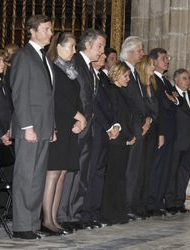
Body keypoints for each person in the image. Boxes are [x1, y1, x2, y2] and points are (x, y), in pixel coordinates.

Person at [10, 15, 56, 240]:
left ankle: (32, 223)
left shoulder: (44, 58)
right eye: (46, 29)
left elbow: (49, 97)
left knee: (37, 177)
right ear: (33, 31)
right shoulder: (23, 56)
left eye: (50, 30)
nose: (50, 33)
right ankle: (21, 225)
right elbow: (20, 94)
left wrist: (52, 126)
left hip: (44, 127)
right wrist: (27, 126)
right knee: (25, 176)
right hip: (29, 126)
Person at [57, 29, 106, 229]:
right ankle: (62, 215)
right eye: (100, 46)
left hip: (89, 130)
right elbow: (70, 96)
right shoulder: (75, 64)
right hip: (76, 128)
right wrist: (74, 120)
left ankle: (74, 215)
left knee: (81, 175)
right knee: (69, 174)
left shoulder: (90, 68)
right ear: (88, 45)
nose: (102, 50)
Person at [41, 32, 86, 235]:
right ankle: (46, 220)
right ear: (58, 46)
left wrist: (79, 119)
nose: (74, 51)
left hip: (70, 127)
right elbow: (57, 99)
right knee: (53, 173)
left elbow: (77, 99)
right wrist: (78, 116)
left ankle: (55, 218)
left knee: (62, 175)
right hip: (57, 126)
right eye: (71, 46)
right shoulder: (52, 69)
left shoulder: (70, 70)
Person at [80, 53, 120, 228]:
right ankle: (84, 214)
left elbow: (112, 104)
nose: (103, 56)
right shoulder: (88, 76)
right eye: (101, 53)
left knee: (99, 173)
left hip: (105, 132)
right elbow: (94, 104)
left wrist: (116, 124)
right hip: (95, 130)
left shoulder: (103, 77)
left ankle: (94, 213)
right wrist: (108, 126)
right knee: (90, 173)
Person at [146, 48, 182, 217]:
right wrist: (172, 101)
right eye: (163, 58)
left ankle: (158, 201)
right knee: (157, 167)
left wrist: (173, 99)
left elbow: (178, 102)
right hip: (160, 130)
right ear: (153, 61)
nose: (167, 60)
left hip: (170, 131)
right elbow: (162, 106)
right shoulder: (153, 80)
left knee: (165, 168)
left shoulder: (166, 82)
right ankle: (151, 202)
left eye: (167, 57)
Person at [120, 36, 151, 219]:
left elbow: (141, 102)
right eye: (140, 50)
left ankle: (131, 204)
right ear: (130, 52)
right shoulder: (123, 71)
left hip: (140, 127)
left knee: (135, 170)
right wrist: (136, 126)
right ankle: (125, 206)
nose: (142, 53)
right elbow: (126, 103)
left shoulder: (135, 72)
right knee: (128, 170)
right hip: (130, 128)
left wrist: (147, 120)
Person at [101, 61, 136, 225]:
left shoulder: (121, 92)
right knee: (113, 177)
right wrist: (129, 135)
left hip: (123, 139)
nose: (128, 79)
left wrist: (130, 135)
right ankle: (109, 213)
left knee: (119, 177)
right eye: (126, 75)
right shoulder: (113, 91)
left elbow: (127, 116)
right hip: (117, 139)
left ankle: (118, 211)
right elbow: (118, 116)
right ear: (116, 75)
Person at [165, 68, 190, 214]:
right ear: (176, 80)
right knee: (172, 171)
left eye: (189, 78)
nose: (188, 81)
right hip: (176, 140)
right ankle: (169, 202)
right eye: (185, 78)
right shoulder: (171, 94)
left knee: (184, 172)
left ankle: (180, 201)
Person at [135, 54, 161, 213]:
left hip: (151, 130)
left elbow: (156, 111)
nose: (154, 67)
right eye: (151, 64)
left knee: (147, 169)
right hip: (140, 130)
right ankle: (135, 203)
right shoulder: (138, 84)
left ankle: (142, 204)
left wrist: (150, 119)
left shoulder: (152, 85)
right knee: (138, 169)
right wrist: (146, 120)